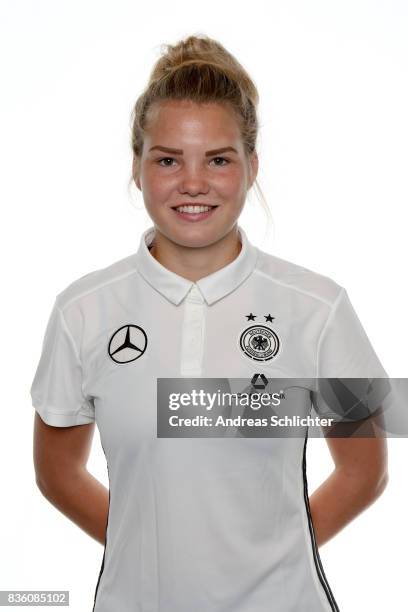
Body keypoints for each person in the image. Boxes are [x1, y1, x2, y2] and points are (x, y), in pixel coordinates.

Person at [30, 34, 389, 612]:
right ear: (137, 168)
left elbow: (363, 472)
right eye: (168, 159)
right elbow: (57, 472)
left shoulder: (317, 309)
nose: (192, 183)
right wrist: (155, 560)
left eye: (218, 159)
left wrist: (265, 564)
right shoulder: (83, 311)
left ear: (251, 166)